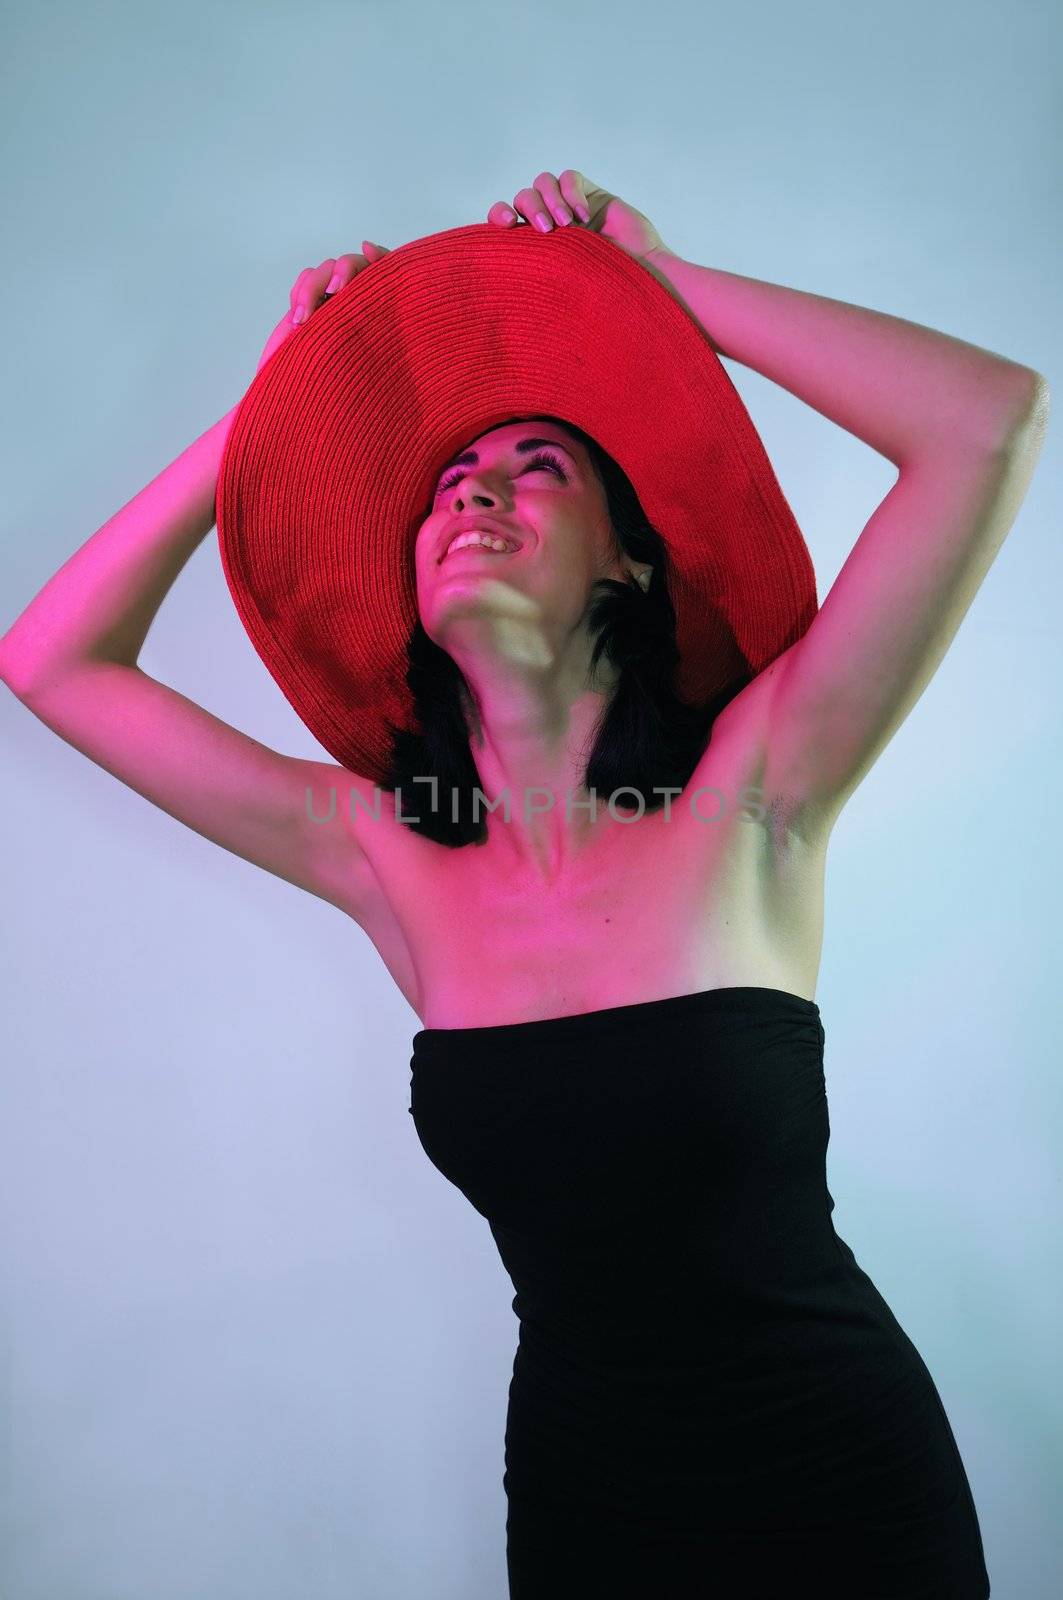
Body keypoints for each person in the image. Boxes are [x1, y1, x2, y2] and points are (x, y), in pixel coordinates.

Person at [1, 166, 1048, 1597]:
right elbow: (49, 660)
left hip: (838, 1479)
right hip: (589, 1494)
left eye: (535, 470)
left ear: (628, 561)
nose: (475, 492)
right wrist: (277, 404)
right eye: (447, 485)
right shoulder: (384, 855)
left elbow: (986, 421)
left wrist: (659, 297)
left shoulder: (759, 786)